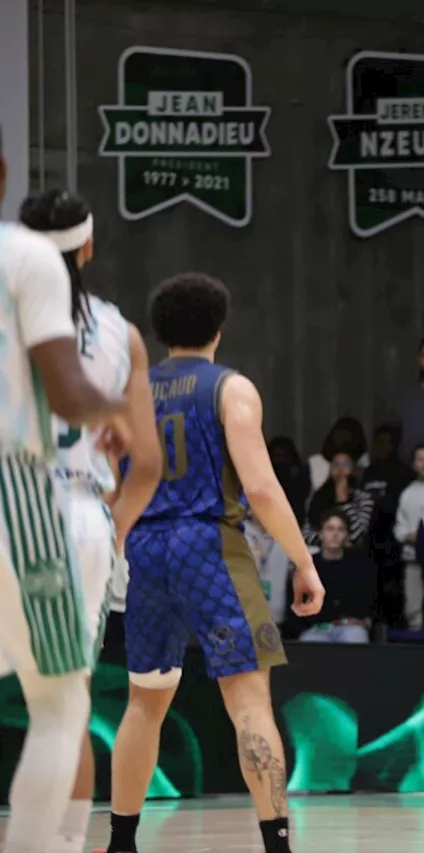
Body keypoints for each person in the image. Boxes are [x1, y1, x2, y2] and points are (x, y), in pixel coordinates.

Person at [100, 273, 325, 853]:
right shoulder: (230, 388)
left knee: (144, 702)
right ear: (219, 328)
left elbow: (109, 486)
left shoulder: (132, 393)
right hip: (210, 546)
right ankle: (276, 843)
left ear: (159, 331)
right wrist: (304, 561)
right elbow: (263, 489)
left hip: (144, 551)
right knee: (249, 700)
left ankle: (121, 842)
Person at [17, 189, 163, 853]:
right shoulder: (118, 331)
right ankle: (61, 844)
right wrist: (113, 523)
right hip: (75, 516)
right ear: (90, 246)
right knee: (62, 708)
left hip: (14, 496)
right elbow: (148, 463)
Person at [0, 134, 134, 853]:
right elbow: (74, 393)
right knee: (59, 703)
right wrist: (113, 415)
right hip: (40, 501)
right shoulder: (33, 266)